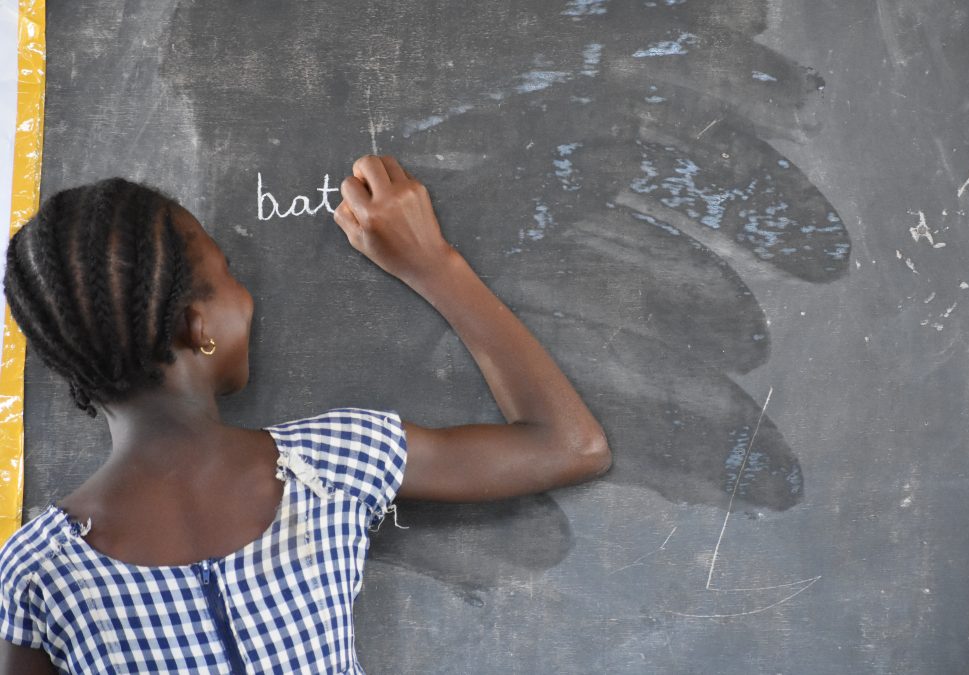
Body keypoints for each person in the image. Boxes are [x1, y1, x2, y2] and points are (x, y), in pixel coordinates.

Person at [0, 155, 611, 674]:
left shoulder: (34, 574)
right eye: (229, 274)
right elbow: (570, 444)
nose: (249, 296)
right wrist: (432, 262)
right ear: (199, 326)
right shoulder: (330, 464)